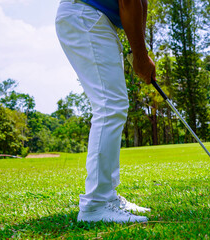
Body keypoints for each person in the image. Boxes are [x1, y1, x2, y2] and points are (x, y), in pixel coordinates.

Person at [55, 0, 156, 223]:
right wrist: (140, 56)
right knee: (110, 106)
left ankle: (107, 196)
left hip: (92, 19)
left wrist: (137, 52)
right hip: (86, 15)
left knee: (113, 106)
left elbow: (141, 3)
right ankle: (96, 204)